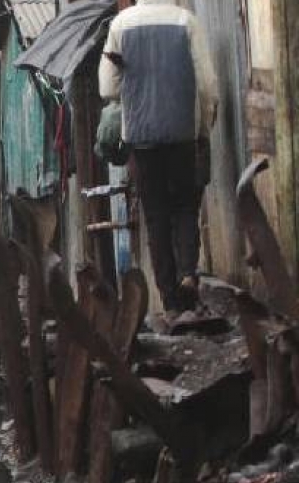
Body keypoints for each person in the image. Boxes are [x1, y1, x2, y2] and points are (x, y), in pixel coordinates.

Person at [99, 0, 217, 313]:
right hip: (182, 133)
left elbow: (107, 88)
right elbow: (207, 85)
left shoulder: (121, 25)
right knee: (185, 205)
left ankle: (169, 299)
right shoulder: (186, 22)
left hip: (141, 136)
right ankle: (188, 273)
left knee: (156, 214)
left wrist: (133, 81)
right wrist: (203, 126)